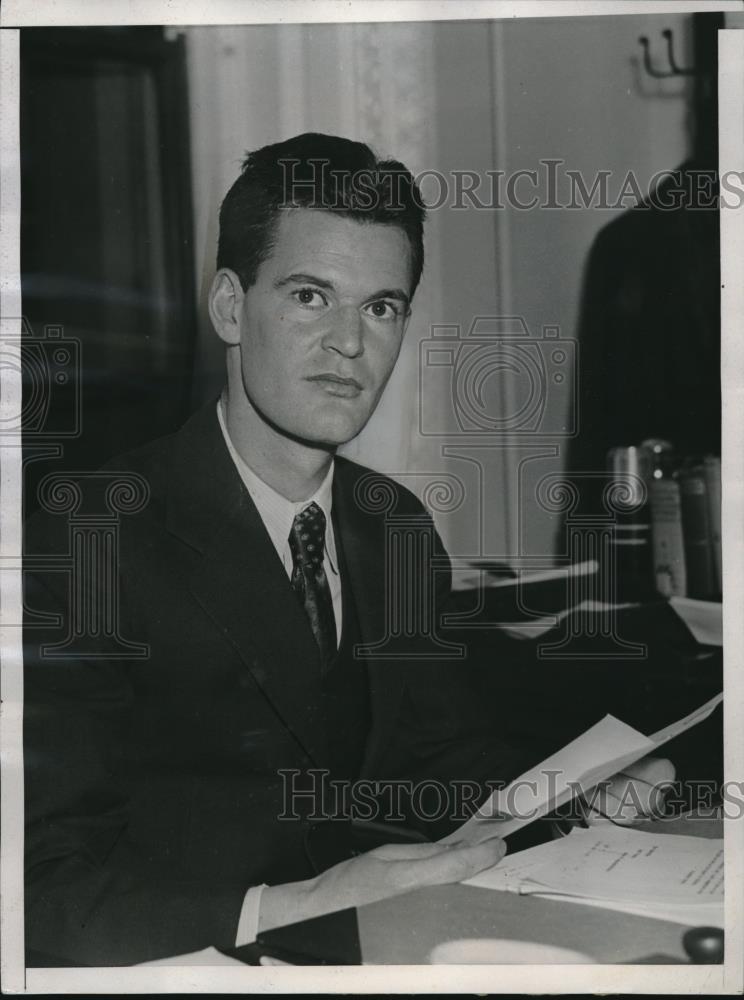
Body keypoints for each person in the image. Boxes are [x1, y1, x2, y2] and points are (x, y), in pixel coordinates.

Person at [23, 132, 670, 967]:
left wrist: (575, 799)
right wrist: (302, 902)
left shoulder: (389, 523)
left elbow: (446, 754)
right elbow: (39, 891)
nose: (350, 345)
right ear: (229, 306)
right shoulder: (90, 538)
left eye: (380, 306)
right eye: (308, 296)